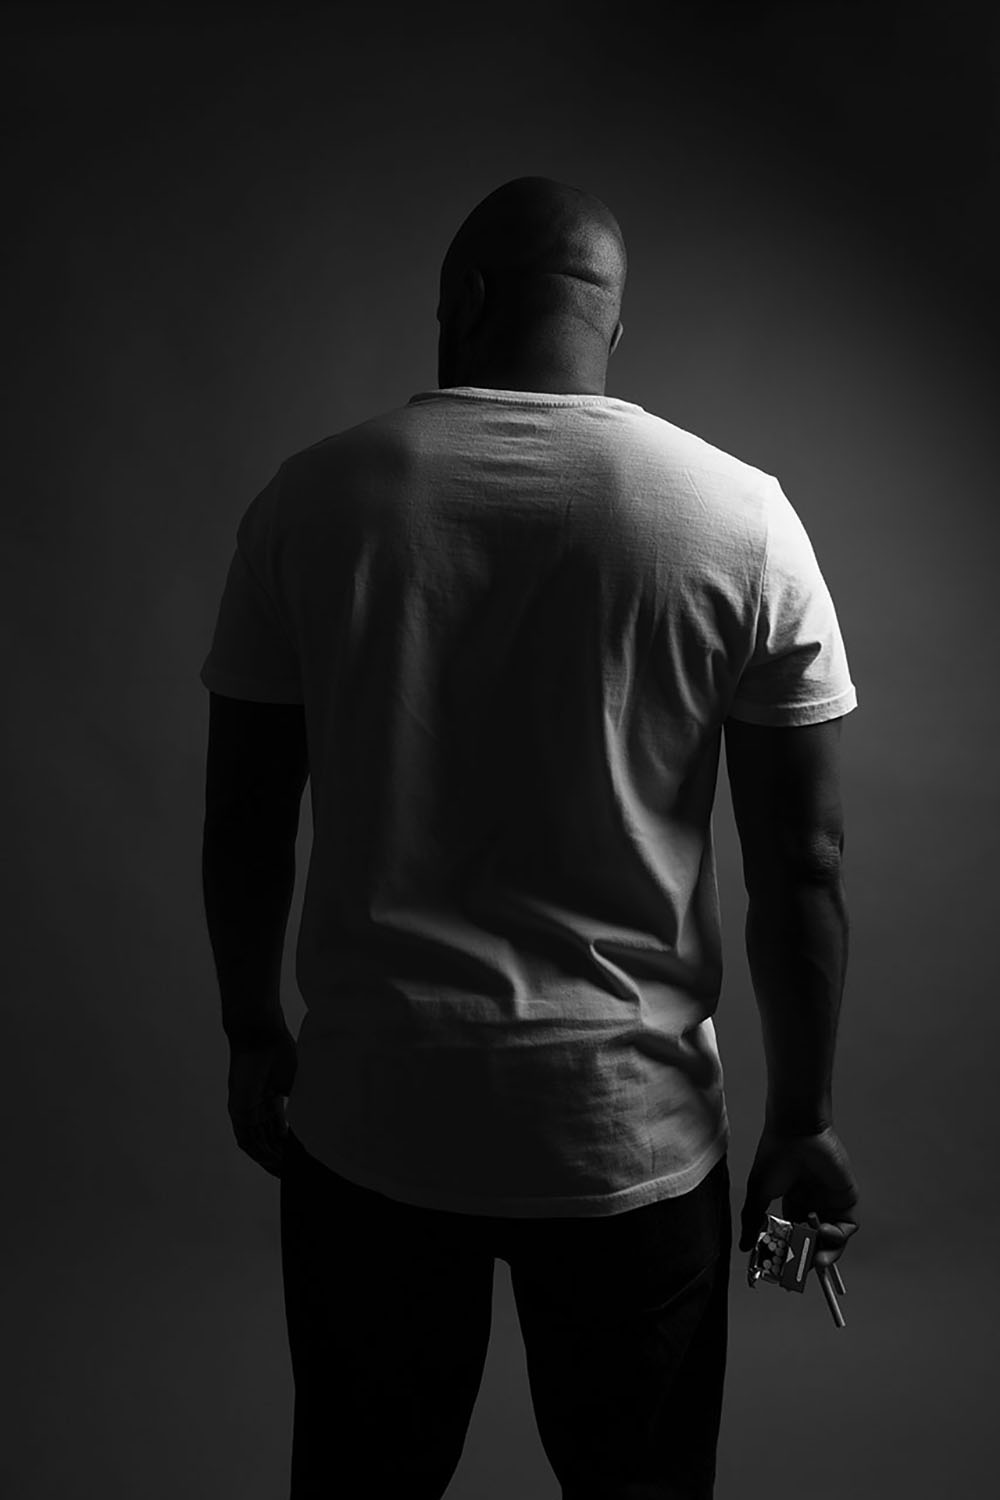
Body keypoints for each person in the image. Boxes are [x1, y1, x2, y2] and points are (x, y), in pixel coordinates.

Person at [201, 175, 862, 1500]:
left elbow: (247, 816)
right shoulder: (739, 515)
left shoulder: (312, 500)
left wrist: (253, 1033)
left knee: (360, 1483)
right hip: (629, 1134)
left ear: (466, 303)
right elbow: (805, 866)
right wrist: (802, 1118)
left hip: (377, 1118)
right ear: (609, 329)